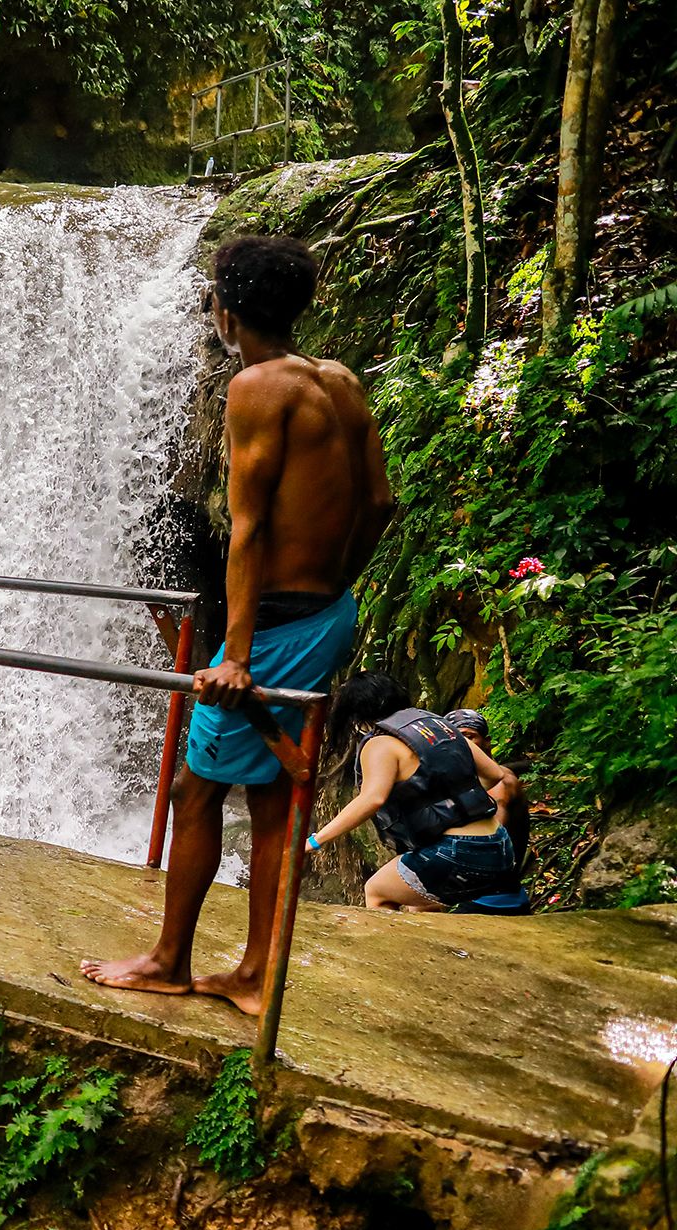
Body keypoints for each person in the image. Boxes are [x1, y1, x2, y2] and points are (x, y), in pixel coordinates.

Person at [82, 234, 394, 1016]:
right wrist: (336, 588)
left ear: (228, 309)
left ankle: (169, 961)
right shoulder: (342, 382)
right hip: (326, 610)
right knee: (270, 800)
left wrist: (239, 655)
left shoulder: (257, 387)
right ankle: (255, 972)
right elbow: (382, 504)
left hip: (276, 626)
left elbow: (248, 528)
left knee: (195, 791)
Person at [305, 674, 519, 910]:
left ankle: (386, 948)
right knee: (419, 902)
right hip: (500, 847)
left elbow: (372, 799)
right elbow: (495, 774)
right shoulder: (439, 725)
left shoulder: (380, 743)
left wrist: (315, 841)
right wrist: (455, 799)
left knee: (377, 891)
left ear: (354, 714)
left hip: (458, 853)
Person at [445, 707, 529, 861]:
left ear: (487, 742)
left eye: (468, 737)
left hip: (493, 871)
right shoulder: (465, 779)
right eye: (454, 738)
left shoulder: (500, 783)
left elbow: (492, 840)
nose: (463, 744)